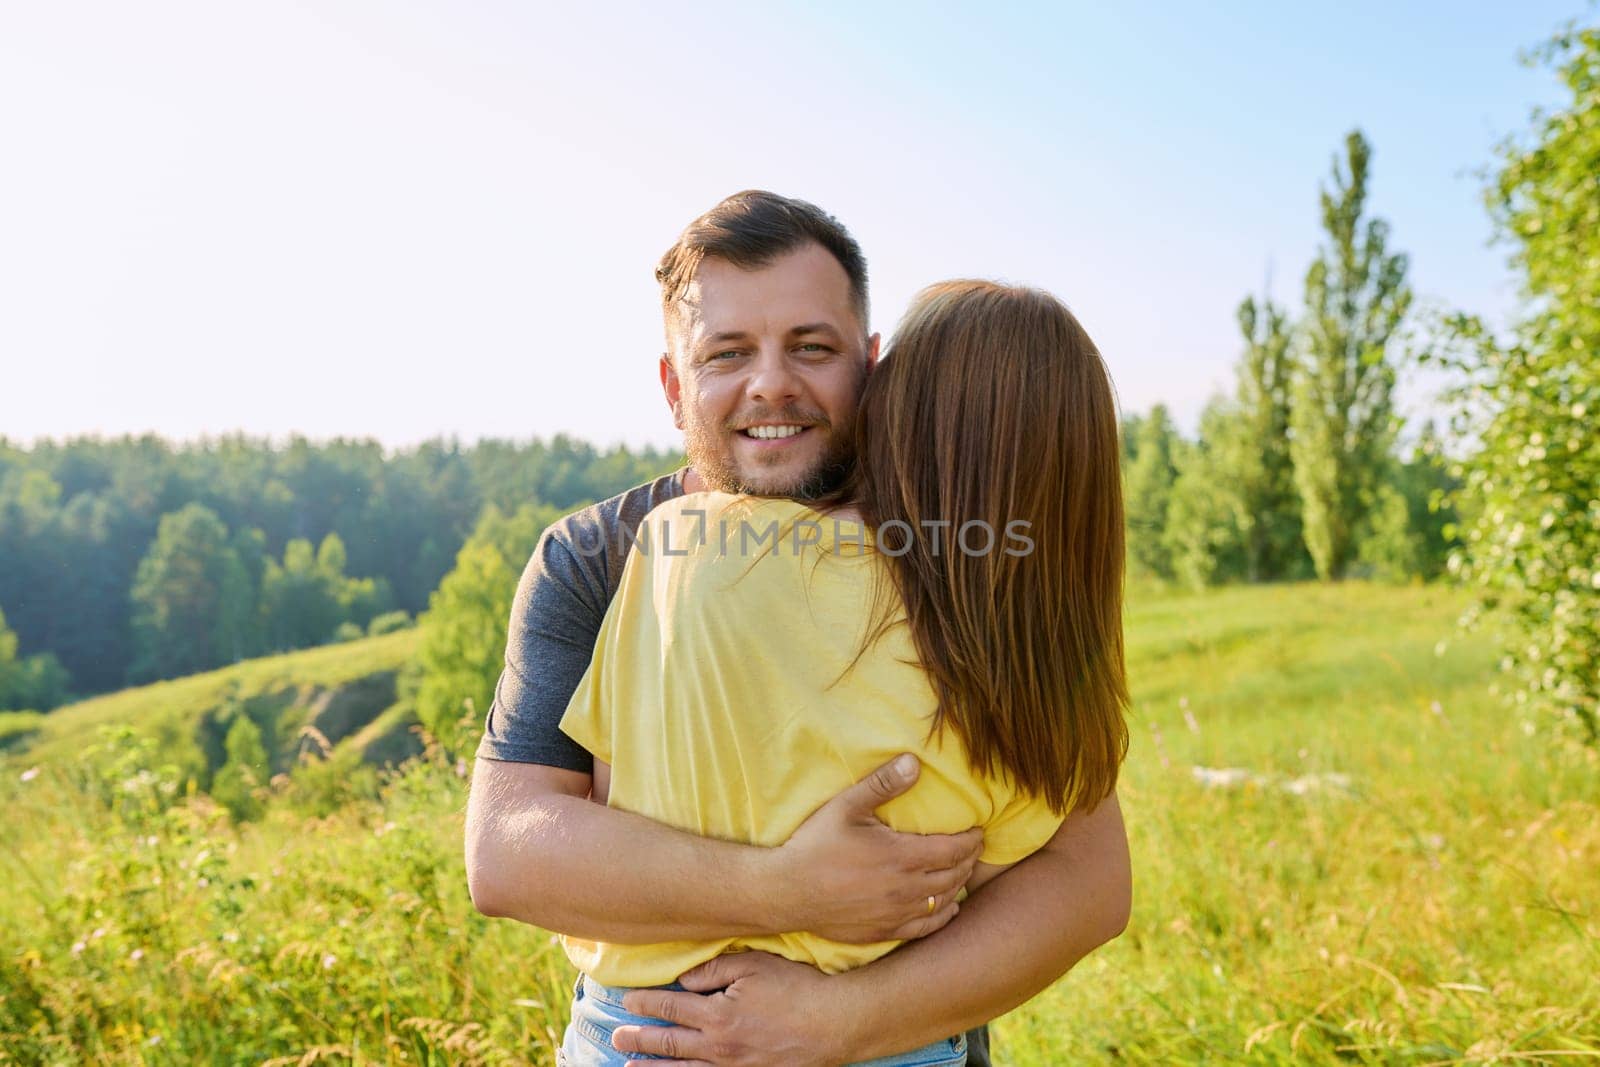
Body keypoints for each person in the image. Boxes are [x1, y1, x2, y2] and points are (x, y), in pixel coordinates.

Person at [465, 192, 1133, 1067]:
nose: (771, 383)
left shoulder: (970, 550)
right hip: (650, 1034)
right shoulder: (598, 555)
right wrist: (788, 889)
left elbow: (1086, 878)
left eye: (811, 348)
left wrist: (841, 1017)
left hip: (895, 1037)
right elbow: (507, 856)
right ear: (674, 387)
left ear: (873, 364)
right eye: (727, 353)